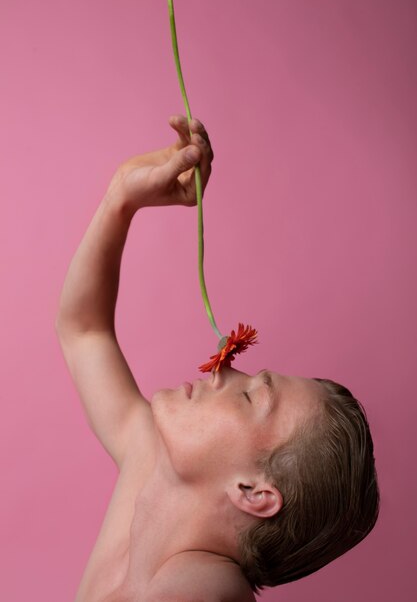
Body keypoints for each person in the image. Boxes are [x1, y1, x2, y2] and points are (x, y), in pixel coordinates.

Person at [55, 115, 380, 602]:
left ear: (253, 492)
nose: (224, 367)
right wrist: (123, 196)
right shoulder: (150, 461)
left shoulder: (208, 588)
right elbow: (85, 332)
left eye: (252, 396)